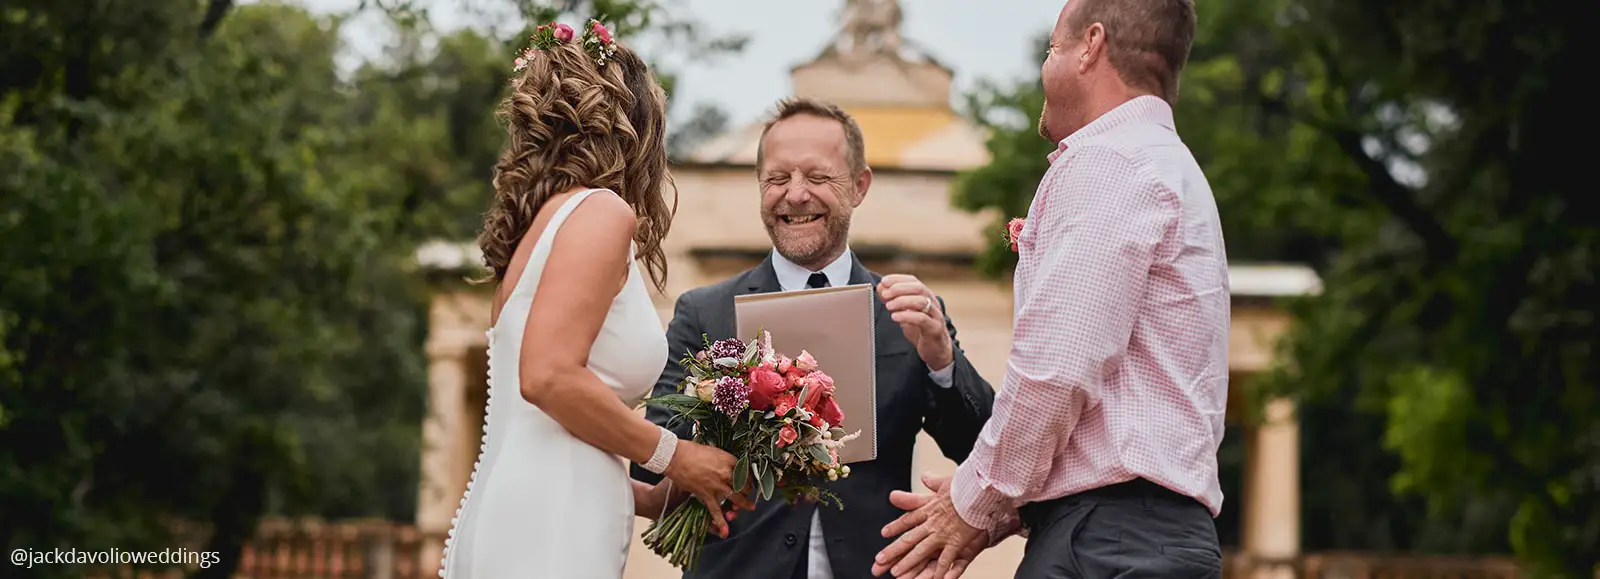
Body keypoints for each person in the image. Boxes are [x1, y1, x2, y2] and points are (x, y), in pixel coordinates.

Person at [871, 0, 1230, 577]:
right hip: (1142, 537)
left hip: (1106, 543)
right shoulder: (1172, 166)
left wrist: (975, 501)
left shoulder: (1108, 161)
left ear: (1090, 46)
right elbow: (1120, 405)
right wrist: (1001, 508)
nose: (1045, 65)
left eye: (1051, 48)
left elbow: (1058, 372)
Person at [631, 97, 996, 579]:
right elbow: (651, 462)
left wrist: (943, 361)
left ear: (860, 186)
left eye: (818, 178)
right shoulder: (704, 312)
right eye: (777, 179)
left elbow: (984, 450)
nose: (795, 195)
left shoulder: (906, 311)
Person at [437, 20, 749, 579]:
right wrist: (676, 454)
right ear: (637, 130)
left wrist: (653, 496)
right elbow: (549, 377)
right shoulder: (601, 213)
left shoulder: (538, 231)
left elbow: (549, 431)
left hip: (523, 508)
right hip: (550, 526)